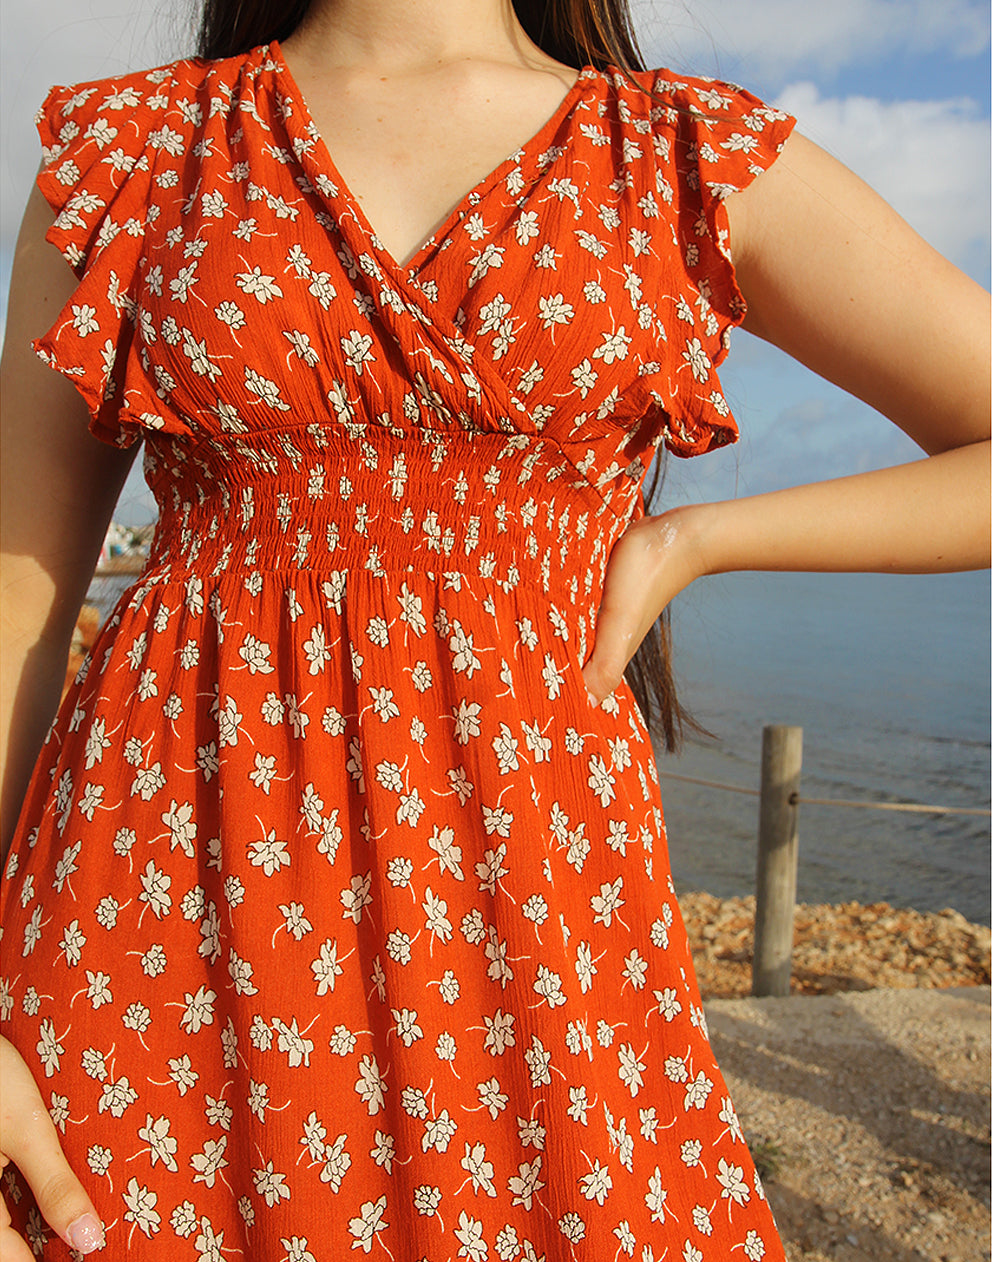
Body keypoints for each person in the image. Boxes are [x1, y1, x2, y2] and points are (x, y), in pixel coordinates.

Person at [0, 0, 987, 1257]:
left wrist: (693, 539)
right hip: (147, 947)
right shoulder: (134, 153)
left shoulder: (678, 156)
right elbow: (16, 606)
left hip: (539, 943)